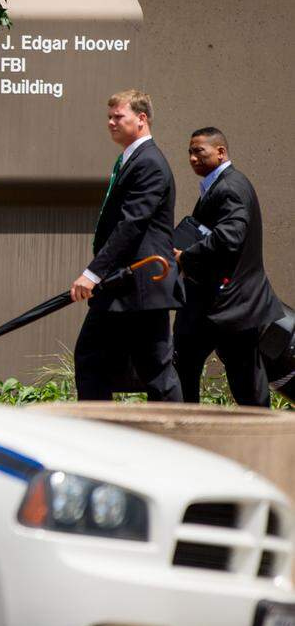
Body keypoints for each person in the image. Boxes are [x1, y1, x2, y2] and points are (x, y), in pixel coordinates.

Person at [70, 89, 184, 401]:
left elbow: (131, 224)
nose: (110, 123)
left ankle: (174, 438)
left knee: (153, 370)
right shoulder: (132, 159)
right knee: (100, 360)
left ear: (142, 119)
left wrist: (93, 274)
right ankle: (102, 434)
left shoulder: (148, 163)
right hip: (128, 285)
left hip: (141, 283)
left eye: (118, 116)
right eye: (109, 117)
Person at [172, 128, 282, 406]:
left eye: (200, 151)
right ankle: (189, 432)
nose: (193, 158)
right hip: (218, 303)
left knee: (244, 379)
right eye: (190, 152)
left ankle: (258, 440)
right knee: (189, 364)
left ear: (220, 152)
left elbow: (229, 237)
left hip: (230, 304)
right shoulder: (220, 184)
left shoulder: (230, 187)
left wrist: (185, 256)